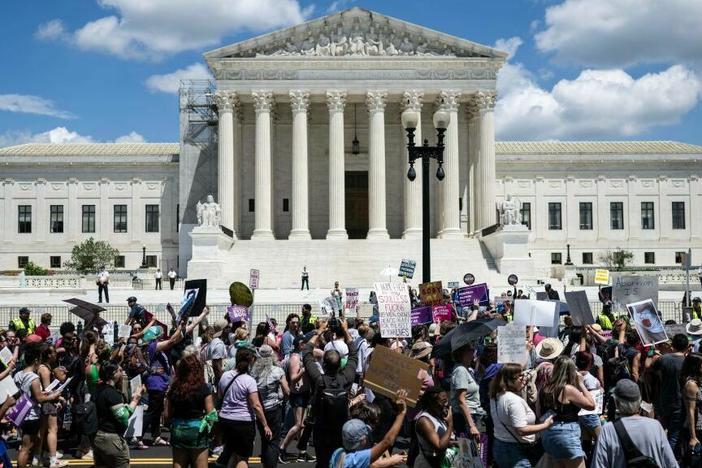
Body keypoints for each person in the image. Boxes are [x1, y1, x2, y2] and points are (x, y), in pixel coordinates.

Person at [303, 319, 359, 468]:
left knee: (322, 462)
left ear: (324, 365)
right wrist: (346, 330)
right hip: (341, 428)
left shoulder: (318, 380)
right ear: (340, 362)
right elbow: (354, 354)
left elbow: (306, 353)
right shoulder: (346, 378)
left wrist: (319, 332)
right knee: (340, 461)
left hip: (321, 429)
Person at [592, 379, 677, 468]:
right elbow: (671, 464)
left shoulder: (608, 430)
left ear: (617, 403)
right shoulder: (656, 426)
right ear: (639, 402)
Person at [490, 363, 554, 467]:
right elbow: (521, 430)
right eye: (520, 376)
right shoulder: (513, 400)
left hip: (500, 446)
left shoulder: (496, 396)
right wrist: (545, 425)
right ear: (510, 380)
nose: (523, 378)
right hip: (516, 451)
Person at [218, 347, 272, 468]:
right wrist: (265, 425)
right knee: (242, 458)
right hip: (243, 422)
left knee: (232, 451)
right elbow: (256, 405)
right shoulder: (249, 380)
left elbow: (220, 396)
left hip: (226, 419)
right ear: (250, 361)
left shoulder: (225, 376)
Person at [538, 356, 595, 468]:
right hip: (566, 434)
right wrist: (581, 384)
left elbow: (539, 413)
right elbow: (591, 405)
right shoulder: (567, 389)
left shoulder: (544, 387)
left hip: (548, 434)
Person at [165, 351, 217, 468]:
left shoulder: (174, 388)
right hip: (197, 430)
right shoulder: (203, 388)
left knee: (178, 464)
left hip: (178, 429)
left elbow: (167, 415)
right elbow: (211, 415)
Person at [15, 342, 63, 468]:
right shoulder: (33, 378)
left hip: (21, 414)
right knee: (26, 449)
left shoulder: (18, 375)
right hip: (31, 416)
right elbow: (40, 398)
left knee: (27, 445)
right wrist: (55, 395)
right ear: (36, 360)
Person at [329, 391, 408, 468]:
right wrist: (401, 412)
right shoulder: (355, 460)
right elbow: (387, 442)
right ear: (363, 440)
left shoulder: (338, 453)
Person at [93, 362, 145, 468]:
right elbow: (124, 417)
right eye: (120, 371)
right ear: (114, 374)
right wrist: (136, 399)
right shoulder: (112, 394)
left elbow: (111, 411)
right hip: (112, 440)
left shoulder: (99, 389)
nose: (123, 374)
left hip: (99, 437)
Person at [251, 344, 289, 467]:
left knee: (264, 437)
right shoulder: (277, 371)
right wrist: (282, 399)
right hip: (273, 408)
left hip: (259, 409)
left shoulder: (253, 372)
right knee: (273, 441)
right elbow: (286, 390)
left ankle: (265, 462)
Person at [652, 332, 688, 454]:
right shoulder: (688, 362)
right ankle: (667, 458)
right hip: (679, 403)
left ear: (672, 345)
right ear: (687, 346)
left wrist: (653, 351)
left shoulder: (664, 359)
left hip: (664, 400)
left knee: (664, 430)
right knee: (674, 434)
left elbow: (649, 367)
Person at [279, 336, 314, 463]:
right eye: (305, 343)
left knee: (302, 424)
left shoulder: (301, 356)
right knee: (298, 424)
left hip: (304, 393)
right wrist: (304, 370)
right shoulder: (295, 358)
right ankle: (282, 449)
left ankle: (302, 452)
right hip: (298, 395)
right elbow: (293, 378)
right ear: (300, 344)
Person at [38, 344, 66, 468]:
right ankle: (53, 460)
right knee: (52, 430)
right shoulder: (44, 369)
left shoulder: (45, 367)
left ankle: (40, 455)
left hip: (47, 402)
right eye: (54, 352)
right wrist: (60, 398)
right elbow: (47, 390)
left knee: (44, 431)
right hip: (48, 403)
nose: (56, 354)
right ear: (49, 355)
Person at [414, 386, 454, 468]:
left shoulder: (438, 416)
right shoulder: (424, 421)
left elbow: (443, 440)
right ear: (431, 402)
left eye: (446, 400)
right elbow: (439, 446)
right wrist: (450, 424)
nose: (446, 404)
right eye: (443, 401)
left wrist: (457, 444)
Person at [451, 342, 483, 438]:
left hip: (473, 413)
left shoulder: (467, 369)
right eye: (471, 350)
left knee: (476, 450)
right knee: (470, 449)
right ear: (463, 353)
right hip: (466, 417)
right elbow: (461, 400)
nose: (474, 352)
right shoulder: (460, 370)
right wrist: (471, 425)